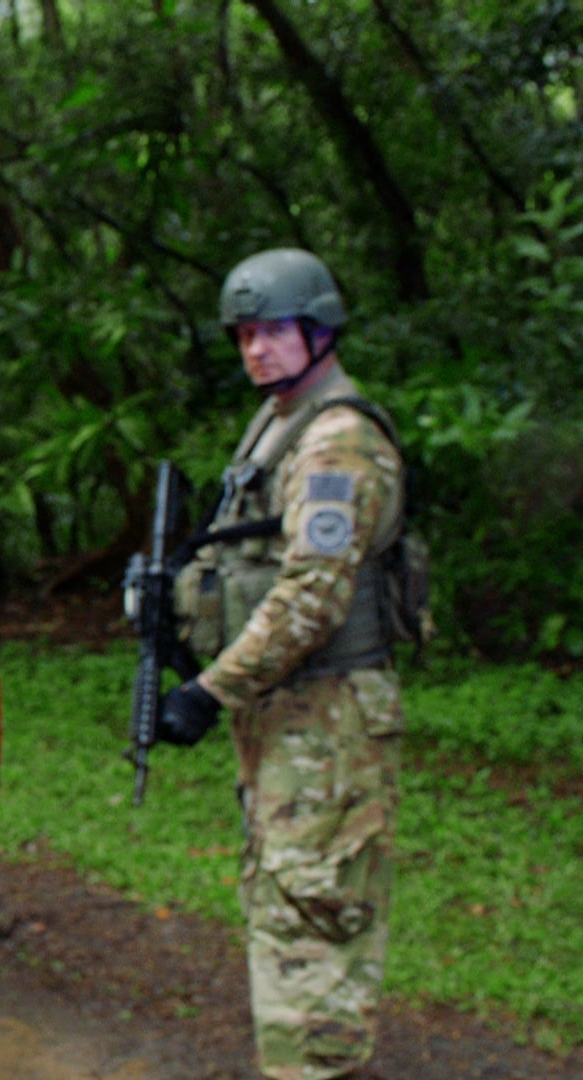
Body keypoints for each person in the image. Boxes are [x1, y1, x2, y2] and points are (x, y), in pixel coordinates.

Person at [159, 248, 405, 1080]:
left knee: (314, 915)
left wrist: (209, 689)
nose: (256, 350)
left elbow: (313, 596)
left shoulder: (338, 441)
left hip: (328, 715)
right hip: (286, 713)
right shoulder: (281, 421)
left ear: (319, 328)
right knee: (284, 905)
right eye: (244, 336)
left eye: (272, 331)